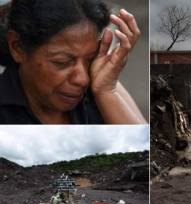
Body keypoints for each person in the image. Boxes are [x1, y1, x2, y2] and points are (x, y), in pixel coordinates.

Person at [0, 0, 146, 124]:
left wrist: (106, 92)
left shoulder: (102, 85)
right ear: (17, 47)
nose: (83, 79)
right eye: (62, 62)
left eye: (90, 59)